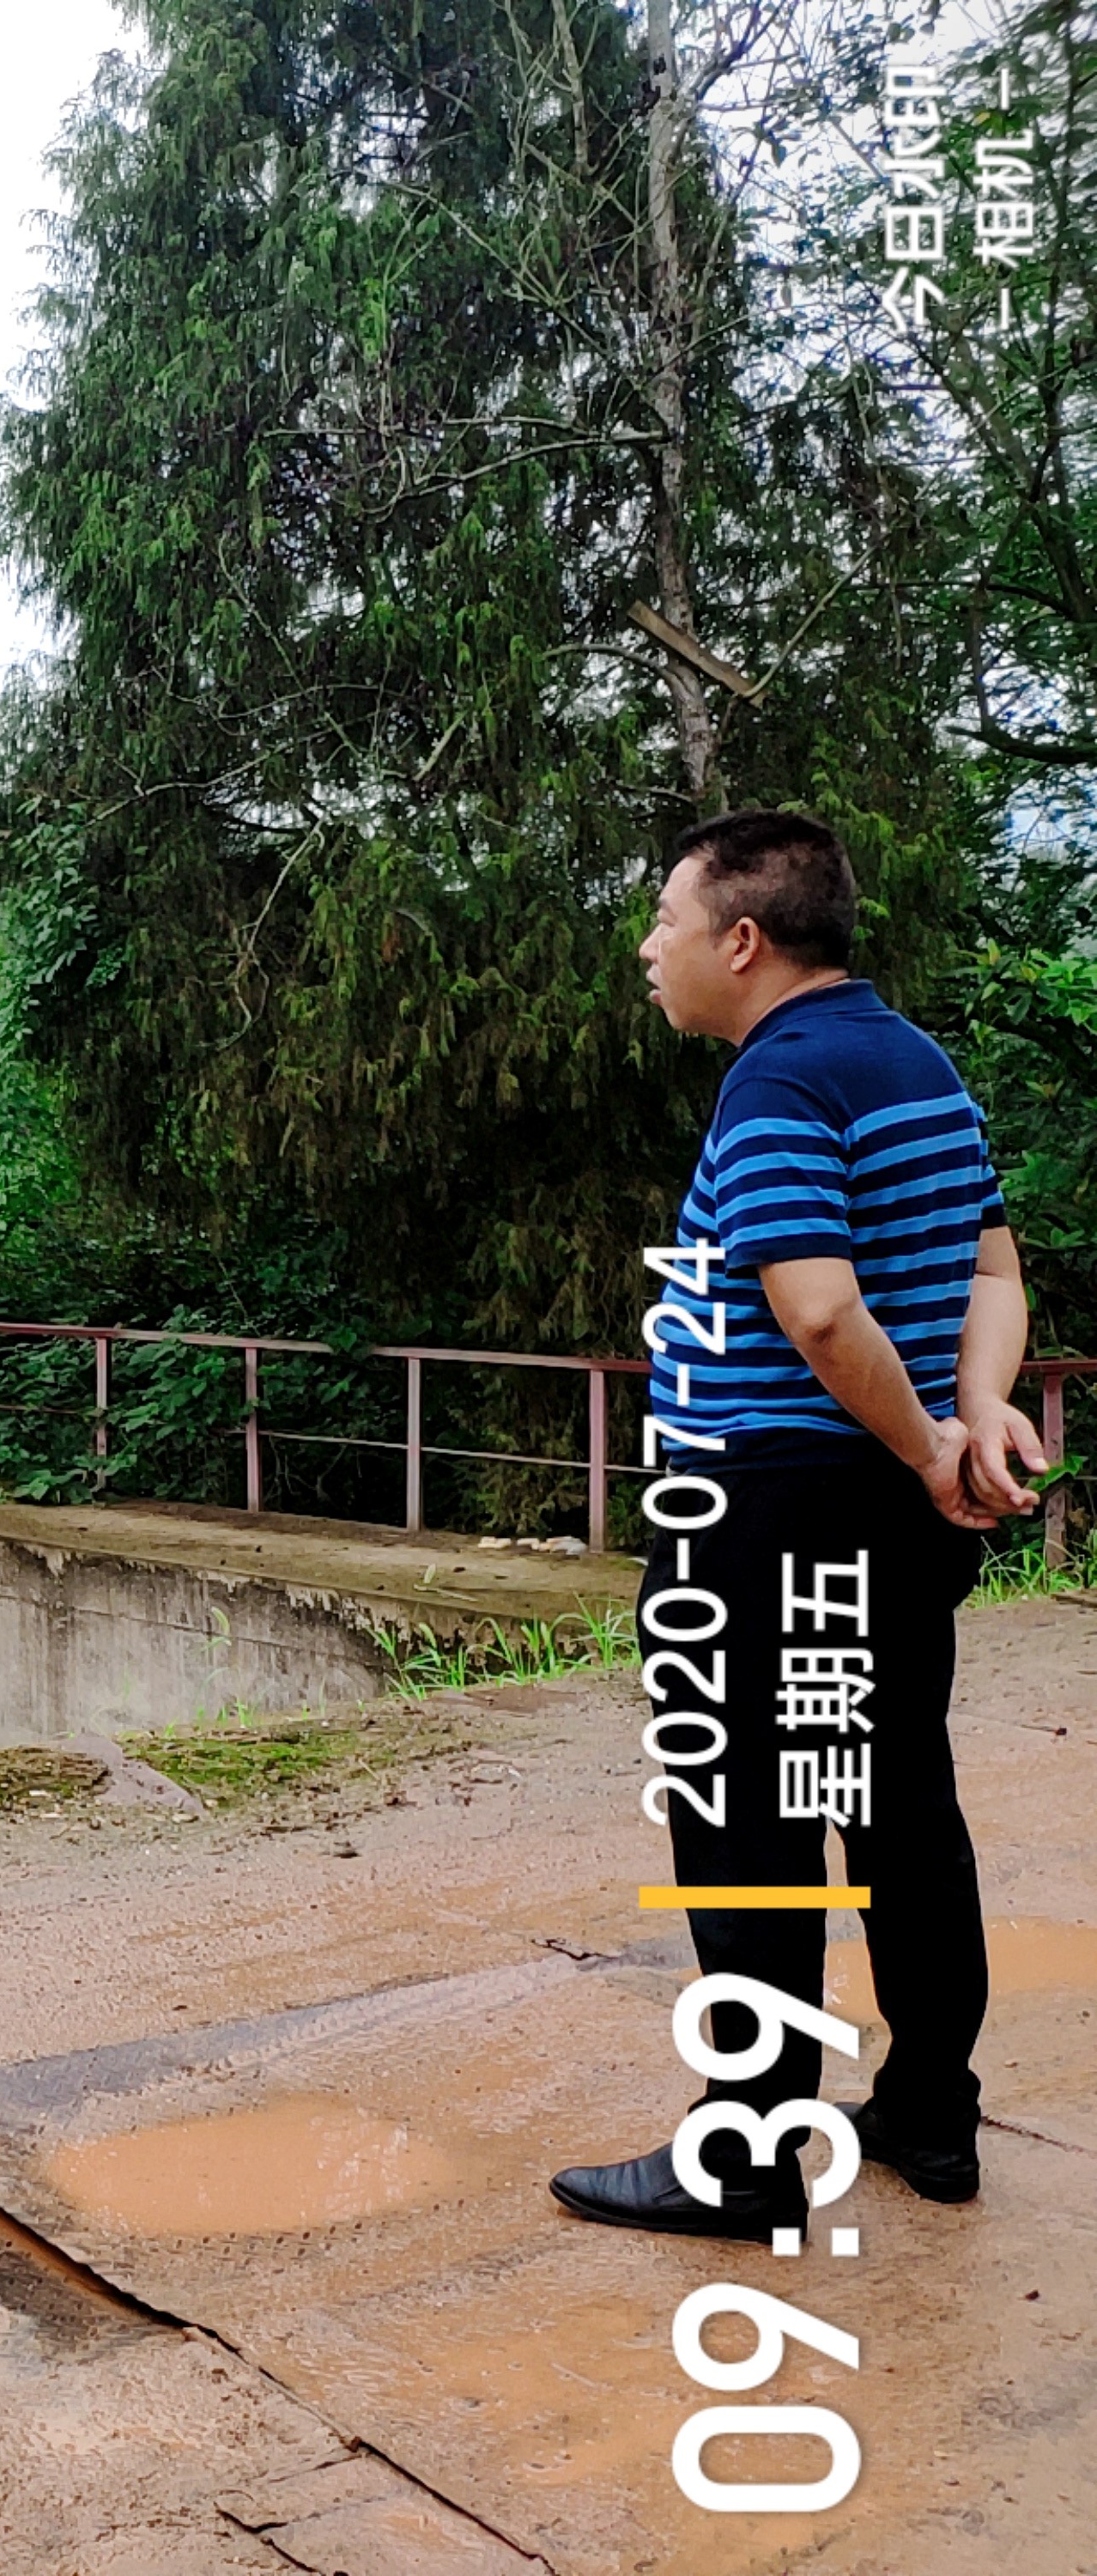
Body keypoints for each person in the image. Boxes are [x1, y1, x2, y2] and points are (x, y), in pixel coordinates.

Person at [553, 810, 1048, 2241]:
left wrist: (936, 1440)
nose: (649, 948)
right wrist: (973, 1416)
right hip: (892, 1513)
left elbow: (820, 1312)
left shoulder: (776, 1081)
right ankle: (931, 2113)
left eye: (665, 921)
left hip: (765, 1512)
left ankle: (750, 2156)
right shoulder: (916, 1061)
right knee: (899, 1806)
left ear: (743, 940)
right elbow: (994, 1267)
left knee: (746, 1825)